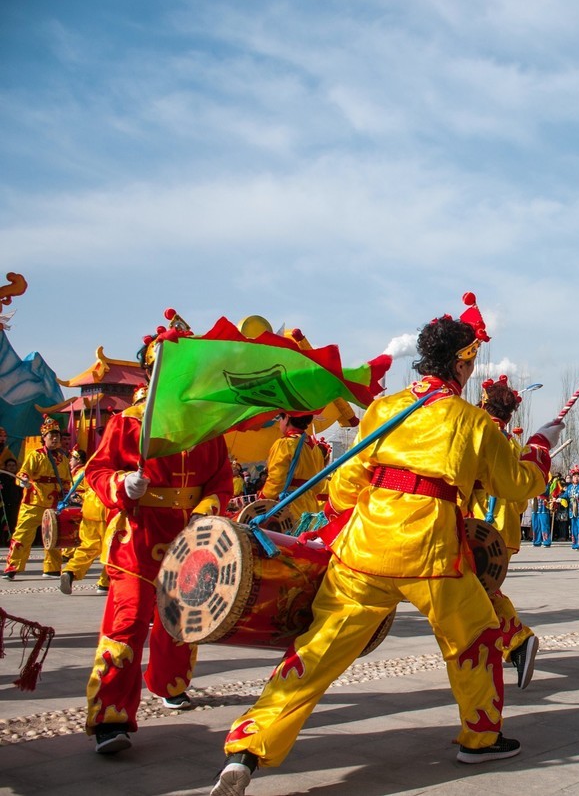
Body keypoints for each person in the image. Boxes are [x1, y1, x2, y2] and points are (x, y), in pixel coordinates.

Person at [209, 294, 560, 796]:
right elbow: (515, 483)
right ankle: (481, 737)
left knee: (318, 648)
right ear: (462, 364)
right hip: (430, 552)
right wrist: (540, 447)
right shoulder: (471, 420)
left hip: (365, 547)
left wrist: (342, 519)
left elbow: (348, 480)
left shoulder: (384, 407)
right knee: (475, 635)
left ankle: (247, 749)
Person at [85, 325, 233, 754]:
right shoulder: (128, 422)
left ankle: (169, 683)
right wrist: (120, 484)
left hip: (188, 542)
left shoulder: (207, 426)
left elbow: (221, 482)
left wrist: (206, 511)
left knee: (178, 622)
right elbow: (97, 470)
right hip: (136, 538)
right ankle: (110, 717)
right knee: (127, 623)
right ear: (150, 374)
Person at [466, 374, 539, 688]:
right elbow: (521, 496)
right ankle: (493, 644)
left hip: (481, 525)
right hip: (503, 526)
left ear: (484, 405)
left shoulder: (480, 434)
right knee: (477, 590)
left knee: (476, 588)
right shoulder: (512, 443)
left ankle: (516, 639)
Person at [5, 415, 72, 579]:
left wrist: (69, 495)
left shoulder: (63, 458)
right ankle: (13, 566)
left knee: (53, 535)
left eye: (57, 436)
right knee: (23, 534)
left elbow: (66, 480)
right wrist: (24, 481)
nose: (55, 439)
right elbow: (23, 473)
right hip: (34, 501)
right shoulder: (35, 455)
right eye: (52, 436)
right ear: (44, 438)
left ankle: (52, 568)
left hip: (54, 502)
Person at [59, 447, 114, 594]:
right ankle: (105, 584)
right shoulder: (119, 463)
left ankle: (70, 571)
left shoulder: (91, 464)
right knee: (112, 547)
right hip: (108, 509)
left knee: (87, 546)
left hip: (90, 509)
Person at [260, 413, 325, 516]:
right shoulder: (316, 449)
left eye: (280, 418)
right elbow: (319, 486)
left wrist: (262, 500)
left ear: (287, 418)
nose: (279, 422)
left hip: (290, 506)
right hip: (311, 506)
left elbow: (276, 481)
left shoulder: (285, 444)